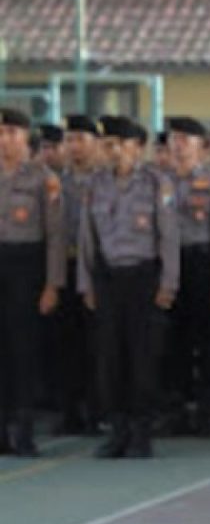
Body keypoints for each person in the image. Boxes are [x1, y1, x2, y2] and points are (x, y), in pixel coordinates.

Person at [79, 116, 179, 458]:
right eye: (107, 145)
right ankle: (117, 429)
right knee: (109, 358)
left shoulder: (156, 183)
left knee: (142, 356)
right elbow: (86, 237)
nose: (110, 151)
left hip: (143, 277)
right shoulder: (95, 184)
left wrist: (168, 282)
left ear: (136, 147)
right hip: (108, 278)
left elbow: (168, 237)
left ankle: (141, 431)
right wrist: (86, 282)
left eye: (116, 144)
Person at [0, 108, 65, 456]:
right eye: (0, 132)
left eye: (11, 132)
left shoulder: (43, 178)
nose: (4, 140)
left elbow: (55, 235)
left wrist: (53, 283)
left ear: (25, 137)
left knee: (23, 349)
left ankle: (23, 429)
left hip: (27, 266)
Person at [165, 116, 210, 436]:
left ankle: (206, 411)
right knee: (170, 340)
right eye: (174, 139)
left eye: (185, 140)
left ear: (200, 146)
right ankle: (175, 409)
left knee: (206, 341)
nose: (177, 146)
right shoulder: (158, 181)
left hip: (200, 262)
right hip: (166, 264)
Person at [54, 114, 102, 435]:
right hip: (63, 267)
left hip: (98, 271)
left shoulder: (104, 180)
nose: (74, 147)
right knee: (64, 343)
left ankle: (97, 409)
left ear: (95, 144)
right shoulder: (56, 181)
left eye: (80, 140)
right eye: (69, 140)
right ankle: (69, 410)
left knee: (97, 344)